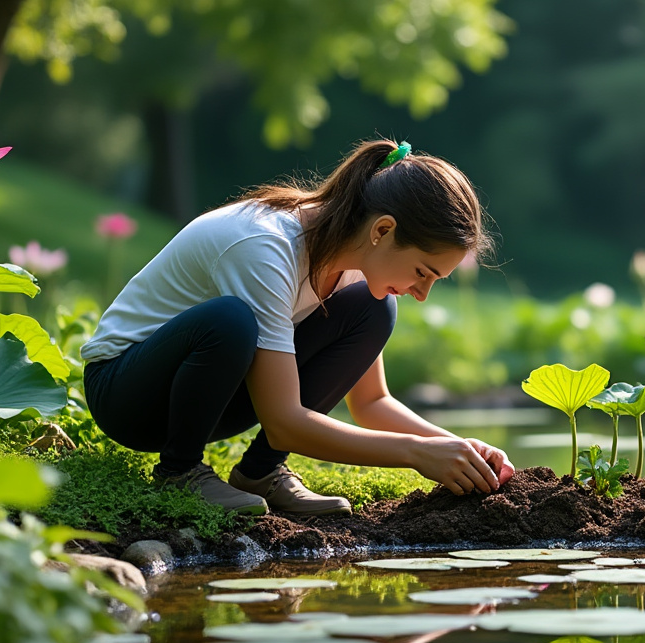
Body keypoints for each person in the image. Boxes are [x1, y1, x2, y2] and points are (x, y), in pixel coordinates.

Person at [80, 139, 514, 520]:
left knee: (375, 309)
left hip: (207, 396)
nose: (422, 293)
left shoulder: (353, 264)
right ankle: (179, 472)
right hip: (127, 393)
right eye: (423, 272)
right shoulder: (264, 248)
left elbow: (373, 403)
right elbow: (284, 421)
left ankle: (260, 473)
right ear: (383, 230)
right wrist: (415, 454)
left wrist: (461, 448)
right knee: (230, 319)